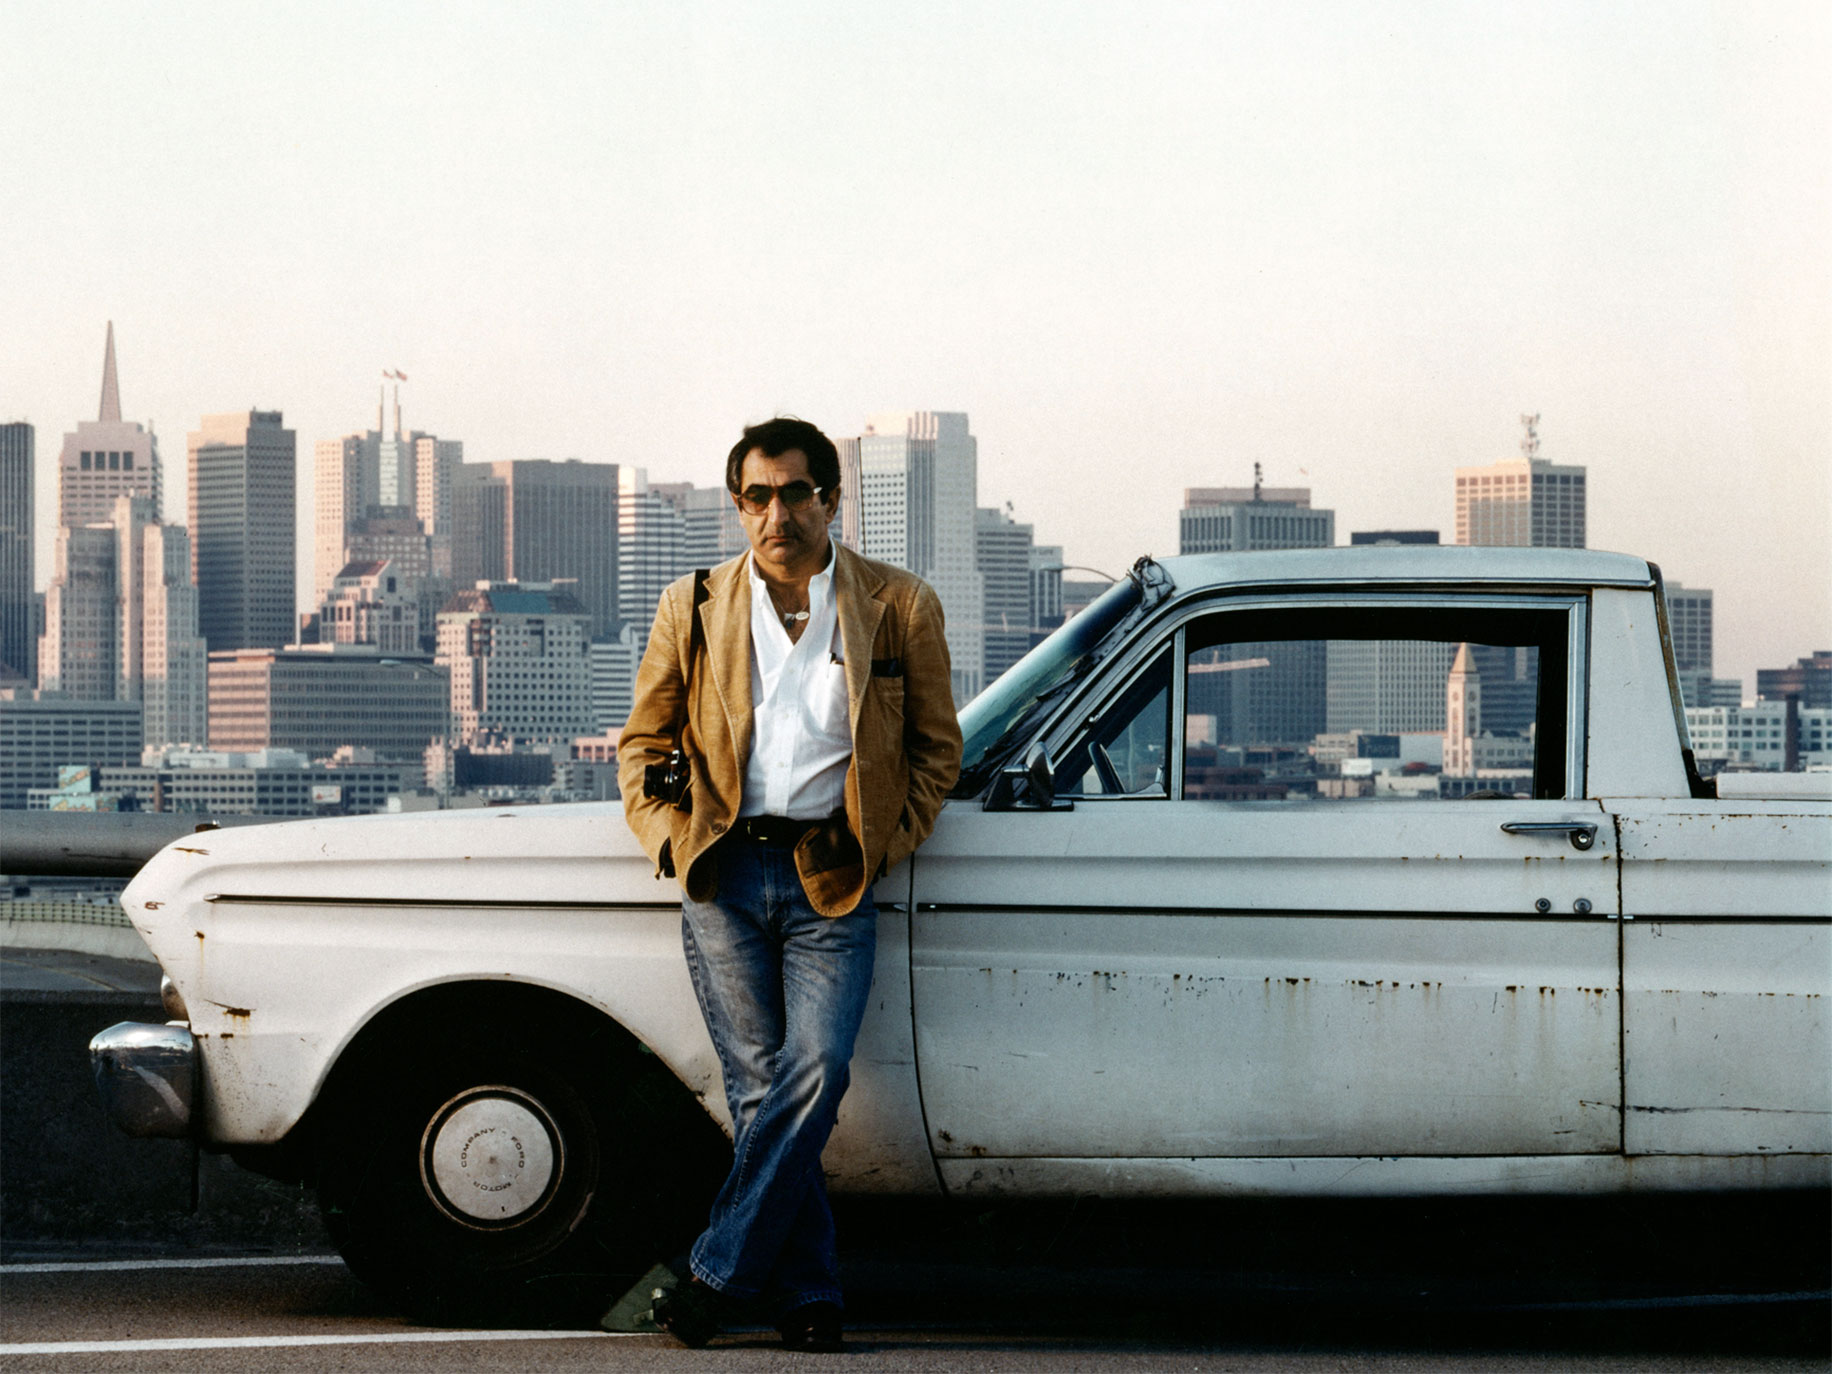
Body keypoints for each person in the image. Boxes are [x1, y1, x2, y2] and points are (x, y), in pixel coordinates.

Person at [619, 416, 961, 1351]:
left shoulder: (899, 605)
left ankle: (715, 1273)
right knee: (757, 1084)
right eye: (758, 496)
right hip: (725, 871)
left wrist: (887, 841)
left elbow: (937, 753)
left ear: (831, 499)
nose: (778, 513)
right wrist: (668, 843)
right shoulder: (691, 606)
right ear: (739, 508)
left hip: (834, 873)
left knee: (814, 1071)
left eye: (796, 492)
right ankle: (809, 1292)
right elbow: (644, 744)